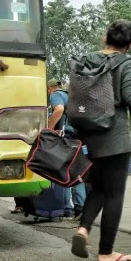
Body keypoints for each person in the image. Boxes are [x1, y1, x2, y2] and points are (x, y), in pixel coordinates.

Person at [70, 19, 131, 261]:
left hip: (88, 134)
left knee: (99, 188)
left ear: (105, 37)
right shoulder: (127, 63)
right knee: (114, 194)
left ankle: (83, 229)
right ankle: (106, 252)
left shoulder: (87, 60)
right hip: (114, 136)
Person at [47, 78, 86, 219]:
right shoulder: (71, 97)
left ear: (50, 88)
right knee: (76, 173)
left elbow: (59, 109)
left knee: (62, 172)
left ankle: (66, 208)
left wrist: (49, 129)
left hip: (65, 139)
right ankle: (80, 207)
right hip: (78, 138)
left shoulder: (56, 95)